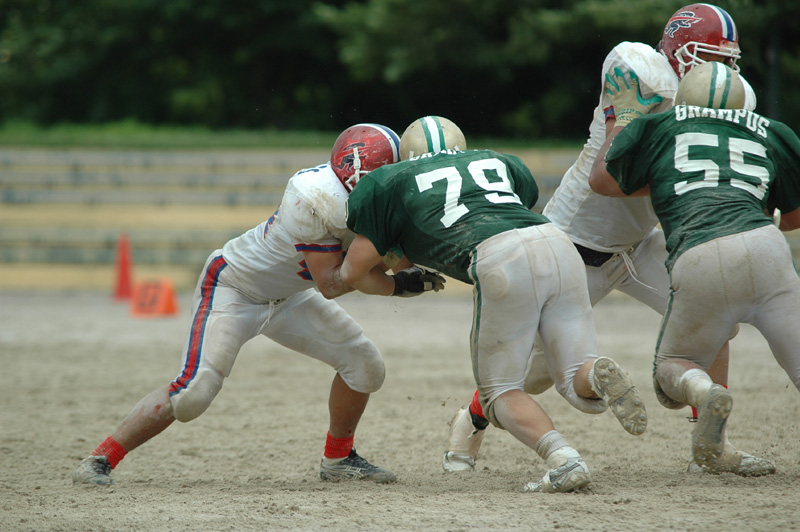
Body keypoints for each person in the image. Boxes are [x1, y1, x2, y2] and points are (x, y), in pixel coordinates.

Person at [442, 2, 776, 477]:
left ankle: (711, 445)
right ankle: (472, 419)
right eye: (709, 57)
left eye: (727, 61)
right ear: (677, 52)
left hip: (638, 243)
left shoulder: (723, 96)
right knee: (532, 373)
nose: (720, 72)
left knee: (716, 314)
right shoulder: (641, 71)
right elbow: (607, 179)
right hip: (572, 247)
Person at [72, 123, 444, 486]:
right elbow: (332, 284)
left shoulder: (367, 197)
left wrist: (416, 264)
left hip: (289, 295)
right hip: (234, 288)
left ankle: (338, 460)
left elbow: (391, 255)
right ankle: (101, 457)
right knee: (192, 394)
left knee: (365, 366)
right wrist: (396, 285)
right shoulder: (315, 197)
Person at [339, 116, 648, 493]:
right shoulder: (497, 160)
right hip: (557, 244)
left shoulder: (389, 181)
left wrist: (398, 285)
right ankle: (596, 374)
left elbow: (352, 272)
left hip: (500, 258)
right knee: (572, 375)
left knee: (500, 393)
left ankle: (565, 460)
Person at [588, 61, 800, 472]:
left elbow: (603, 180)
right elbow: (794, 216)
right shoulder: (773, 132)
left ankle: (703, 391)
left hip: (700, 251)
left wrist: (622, 118)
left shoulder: (659, 127)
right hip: (767, 246)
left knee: (673, 367)